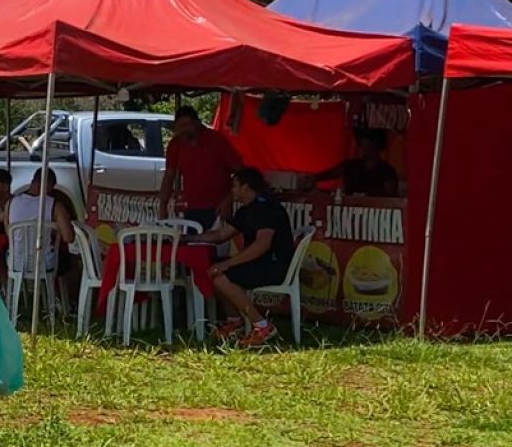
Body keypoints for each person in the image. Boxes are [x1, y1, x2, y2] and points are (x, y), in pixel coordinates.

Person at [198, 167, 295, 348]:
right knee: (212, 268)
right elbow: (220, 235)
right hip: (259, 264)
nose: (232, 190)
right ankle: (235, 322)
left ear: (246, 187)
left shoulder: (267, 208)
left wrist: (227, 264)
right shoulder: (245, 210)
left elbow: (262, 245)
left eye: (235, 186)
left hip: (275, 266)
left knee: (221, 276)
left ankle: (263, 326)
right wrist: (187, 238)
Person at [159, 105, 242, 227]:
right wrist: (162, 206)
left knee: (217, 238)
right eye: (180, 126)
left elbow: (241, 171)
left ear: (197, 123)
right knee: (191, 238)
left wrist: (229, 199)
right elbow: (169, 176)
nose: (183, 130)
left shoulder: (217, 140)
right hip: (191, 206)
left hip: (218, 206)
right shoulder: (176, 144)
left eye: (187, 125)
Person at [5, 167, 75, 277]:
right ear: (49, 185)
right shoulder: (55, 205)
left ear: (32, 181)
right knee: (69, 258)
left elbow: (8, 232)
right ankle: (60, 287)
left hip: (16, 263)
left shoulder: (10, 203)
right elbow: (68, 237)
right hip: (44, 263)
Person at [314, 128, 399, 197]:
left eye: (369, 145)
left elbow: (391, 196)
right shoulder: (351, 166)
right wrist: (312, 178)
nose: (366, 149)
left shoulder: (386, 171)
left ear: (378, 146)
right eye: (363, 145)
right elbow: (330, 174)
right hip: (349, 209)